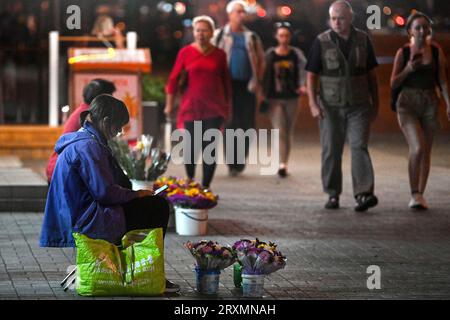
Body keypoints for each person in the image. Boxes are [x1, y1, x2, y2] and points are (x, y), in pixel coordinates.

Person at [40, 94, 179, 292]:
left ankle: (137, 265)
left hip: (81, 213)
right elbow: (105, 193)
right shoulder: (88, 146)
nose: (119, 132)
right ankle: (149, 270)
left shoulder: (85, 140)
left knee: (146, 204)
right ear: (105, 121)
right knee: (157, 207)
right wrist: (137, 195)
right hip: (89, 218)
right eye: (118, 126)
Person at [305, 1, 380, 211]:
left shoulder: (364, 40)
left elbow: (372, 75)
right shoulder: (321, 41)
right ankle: (332, 194)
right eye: (333, 18)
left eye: (341, 18)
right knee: (331, 149)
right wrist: (312, 103)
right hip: (329, 106)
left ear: (351, 18)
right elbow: (311, 75)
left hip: (359, 105)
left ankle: (364, 194)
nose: (337, 22)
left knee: (359, 146)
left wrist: (376, 104)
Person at [390, 12, 450, 210]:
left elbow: (441, 79)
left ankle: (420, 195)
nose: (422, 31)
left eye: (425, 27)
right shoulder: (403, 52)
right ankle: (413, 192)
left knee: (426, 151)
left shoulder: (435, 51)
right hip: (407, 103)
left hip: (430, 103)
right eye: (417, 27)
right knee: (417, 147)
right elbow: (393, 83)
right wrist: (408, 69)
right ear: (410, 31)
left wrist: (448, 103)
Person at [165, 16, 232, 189]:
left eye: (205, 30)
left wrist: (228, 107)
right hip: (191, 107)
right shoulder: (185, 52)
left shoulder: (220, 55)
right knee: (191, 147)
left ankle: (206, 186)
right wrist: (169, 104)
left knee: (210, 148)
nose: (201, 34)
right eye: (198, 30)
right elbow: (173, 80)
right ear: (193, 32)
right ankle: (191, 180)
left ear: (211, 33)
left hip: (214, 108)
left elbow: (226, 83)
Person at [212, 0, 265, 177]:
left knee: (247, 124)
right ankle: (232, 162)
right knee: (230, 124)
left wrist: (258, 81)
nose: (241, 15)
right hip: (226, 86)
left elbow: (261, 60)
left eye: (243, 12)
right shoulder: (220, 35)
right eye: (238, 12)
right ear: (230, 14)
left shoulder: (252, 37)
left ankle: (240, 161)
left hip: (247, 86)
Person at [45, 79, 116, 183]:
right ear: (101, 99)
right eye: (110, 96)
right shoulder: (90, 116)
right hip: (63, 172)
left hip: (59, 168)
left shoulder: (84, 111)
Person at [262, 22, 307, 178]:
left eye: (286, 35)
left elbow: (304, 71)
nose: (284, 38)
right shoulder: (270, 54)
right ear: (276, 36)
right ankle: (281, 163)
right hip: (275, 98)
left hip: (292, 97)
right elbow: (264, 73)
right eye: (281, 35)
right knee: (279, 129)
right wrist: (262, 93)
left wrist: (302, 86)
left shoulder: (296, 54)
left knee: (289, 129)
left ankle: (285, 162)